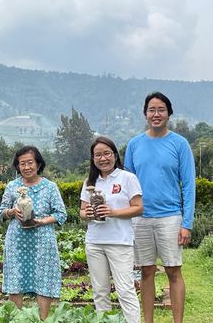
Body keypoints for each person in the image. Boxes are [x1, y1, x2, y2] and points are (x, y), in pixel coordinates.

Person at [124, 91, 195, 323]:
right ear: (145, 114)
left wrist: (187, 224)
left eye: (161, 110)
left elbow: (189, 185)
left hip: (170, 218)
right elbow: (127, 186)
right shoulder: (134, 145)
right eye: (151, 110)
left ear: (169, 113)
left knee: (174, 271)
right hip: (140, 218)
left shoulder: (180, 144)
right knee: (146, 272)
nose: (156, 114)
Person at [0, 145, 67, 320]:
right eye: (22, 164)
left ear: (38, 164)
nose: (26, 167)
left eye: (30, 162)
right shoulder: (12, 186)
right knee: (16, 279)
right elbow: (2, 212)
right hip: (17, 241)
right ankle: (17, 318)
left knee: (43, 278)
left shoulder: (50, 187)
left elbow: (61, 214)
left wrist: (43, 221)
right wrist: (12, 212)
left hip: (43, 239)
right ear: (18, 166)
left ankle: (42, 319)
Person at [79, 136, 142, 323]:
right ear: (93, 159)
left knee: (125, 290)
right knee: (100, 291)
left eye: (106, 153)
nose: (103, 158)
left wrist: (114, 212)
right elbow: (81, 211)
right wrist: (87, 213)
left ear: (115, 155)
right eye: (97, 155)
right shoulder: (90, 182)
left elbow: (138, 207)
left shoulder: (127, 178)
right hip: (95, 243)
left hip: (120, 242)